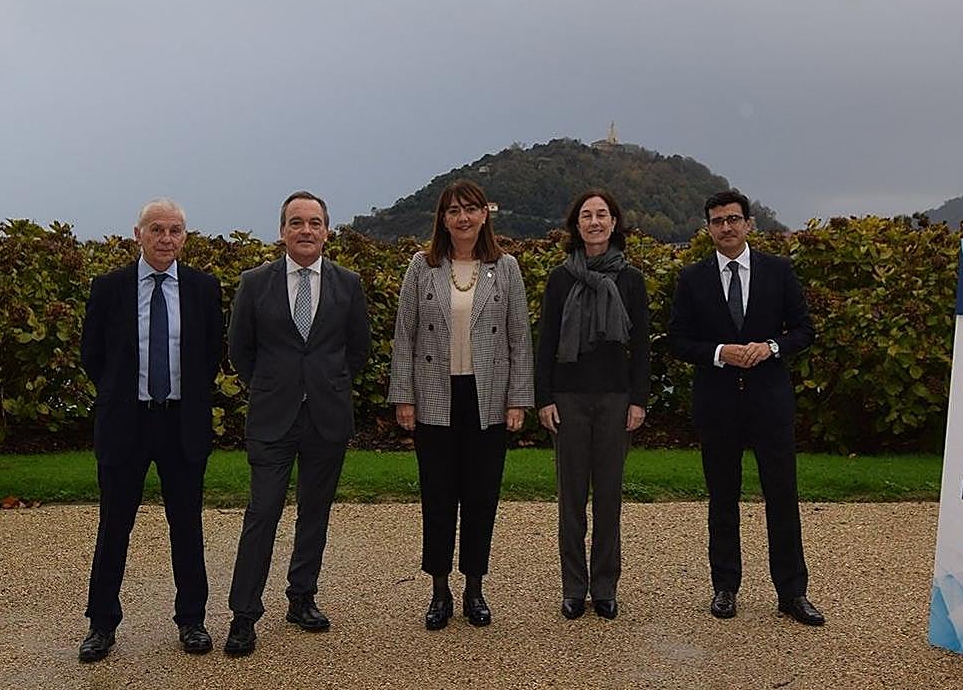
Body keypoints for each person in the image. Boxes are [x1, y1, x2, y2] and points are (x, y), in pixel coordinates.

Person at [223, 191, 371, 656]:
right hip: (273, 417)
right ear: (282, 230)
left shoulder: (348, 283)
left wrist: (323, 384)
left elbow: (358, 349)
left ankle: (302, 598)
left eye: (314, 222)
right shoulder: (255, 283)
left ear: (327, 231)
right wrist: (275, 386)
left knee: (315, 513)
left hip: (327, 416)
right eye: (296, 222)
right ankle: (244, 614)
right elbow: (240, 351)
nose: (306, 230)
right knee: (262, 513)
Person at [667, 190, 824, 626]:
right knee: (722, 498)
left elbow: (804, 330)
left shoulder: (779, 271)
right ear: (708, 228)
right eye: (717, 221)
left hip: (770, 402)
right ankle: (725, 587)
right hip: (717, 404)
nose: (726, 227)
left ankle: (792, 593)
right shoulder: (692, 278)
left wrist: (771, 347)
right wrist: (720, 352)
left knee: (782, 497)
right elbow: (678, 340)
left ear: (749, 224)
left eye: (733, 219)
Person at [77, 198, 224, 663]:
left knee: (187, 526)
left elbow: (210, 354)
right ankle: (101, 624)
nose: (165, 238)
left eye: (174, 230)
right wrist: (120, 394)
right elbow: (92, 355)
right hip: (126, 422)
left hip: (181, 423)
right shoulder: (110, 288)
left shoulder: (203, 288)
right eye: (156, 229)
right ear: (137, 234)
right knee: (113, 526)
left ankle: (192, 620)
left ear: (185, 237)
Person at [388, 179, 533, 631]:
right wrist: (404, 396)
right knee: (437, 496)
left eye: (470, 209)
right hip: (435, 395)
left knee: (481, 497)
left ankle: (474, 588)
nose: (463, 218)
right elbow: (404, 335)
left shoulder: (505, 268)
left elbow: (519, 338)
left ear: (485, 214)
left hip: (486, 398)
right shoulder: (422, 266)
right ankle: (439, 590)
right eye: (454, 210)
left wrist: (518, 399)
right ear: (443, 219)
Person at [535, 190, 648, 620]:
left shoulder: (630, 279)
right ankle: (573, 588)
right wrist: (544, 398)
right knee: (571, 499)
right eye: (587, 215)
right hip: (568, 398)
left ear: (614, 223)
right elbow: (546, 342)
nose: (595, 221)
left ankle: (604, 587)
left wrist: (639, 400)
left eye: (602, 214)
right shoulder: (560, 279)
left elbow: (641, 347)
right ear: (576, 225)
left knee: (609, 497)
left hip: (616, 397)